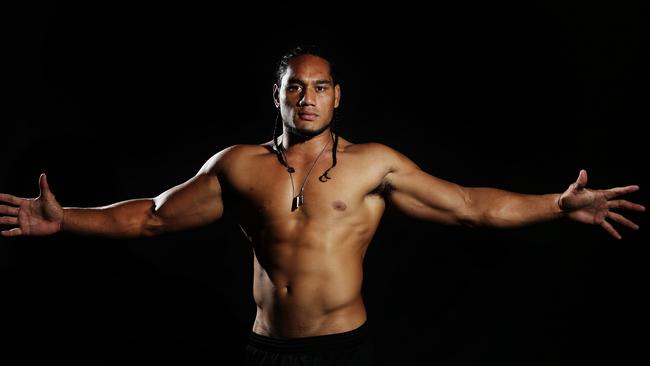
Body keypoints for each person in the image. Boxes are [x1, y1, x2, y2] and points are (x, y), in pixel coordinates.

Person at [0, 45, 644, 366]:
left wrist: (558, 207)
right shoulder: (237, 165)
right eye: (295, 88)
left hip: (346, 350)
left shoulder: (374, 164)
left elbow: (471, 205)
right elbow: (150, 217)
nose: (307, 98)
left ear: (338, 97)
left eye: (320, 87)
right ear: (277, 97)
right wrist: (64, 222)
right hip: (265, 348)